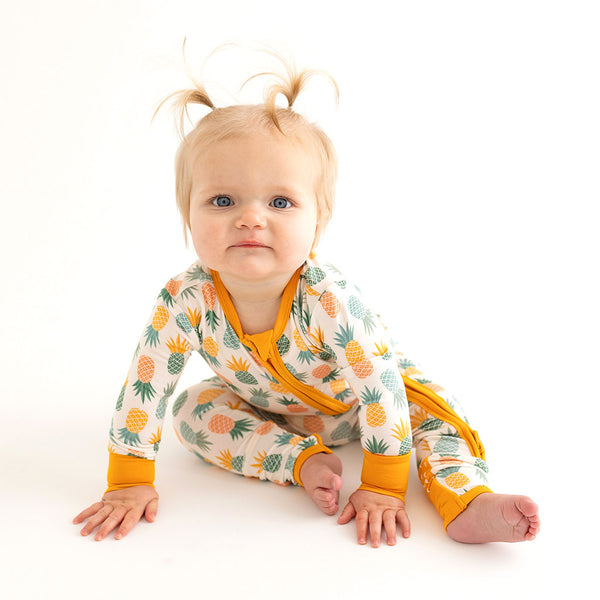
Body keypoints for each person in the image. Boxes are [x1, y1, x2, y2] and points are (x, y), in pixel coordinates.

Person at [73, 49, 540, 547]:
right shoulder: (185, 299)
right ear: (187, 214)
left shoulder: (327, 298)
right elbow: (147, 384)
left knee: (439, 429)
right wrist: (128, 481)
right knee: (192, 409)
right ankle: (300, 459)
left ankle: (466, 501)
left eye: (280, 202)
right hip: (273, 409)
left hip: (377, 403)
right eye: (222, 200)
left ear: (319, 221)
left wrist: (383, 486)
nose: (250, 218)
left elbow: (380, 389)